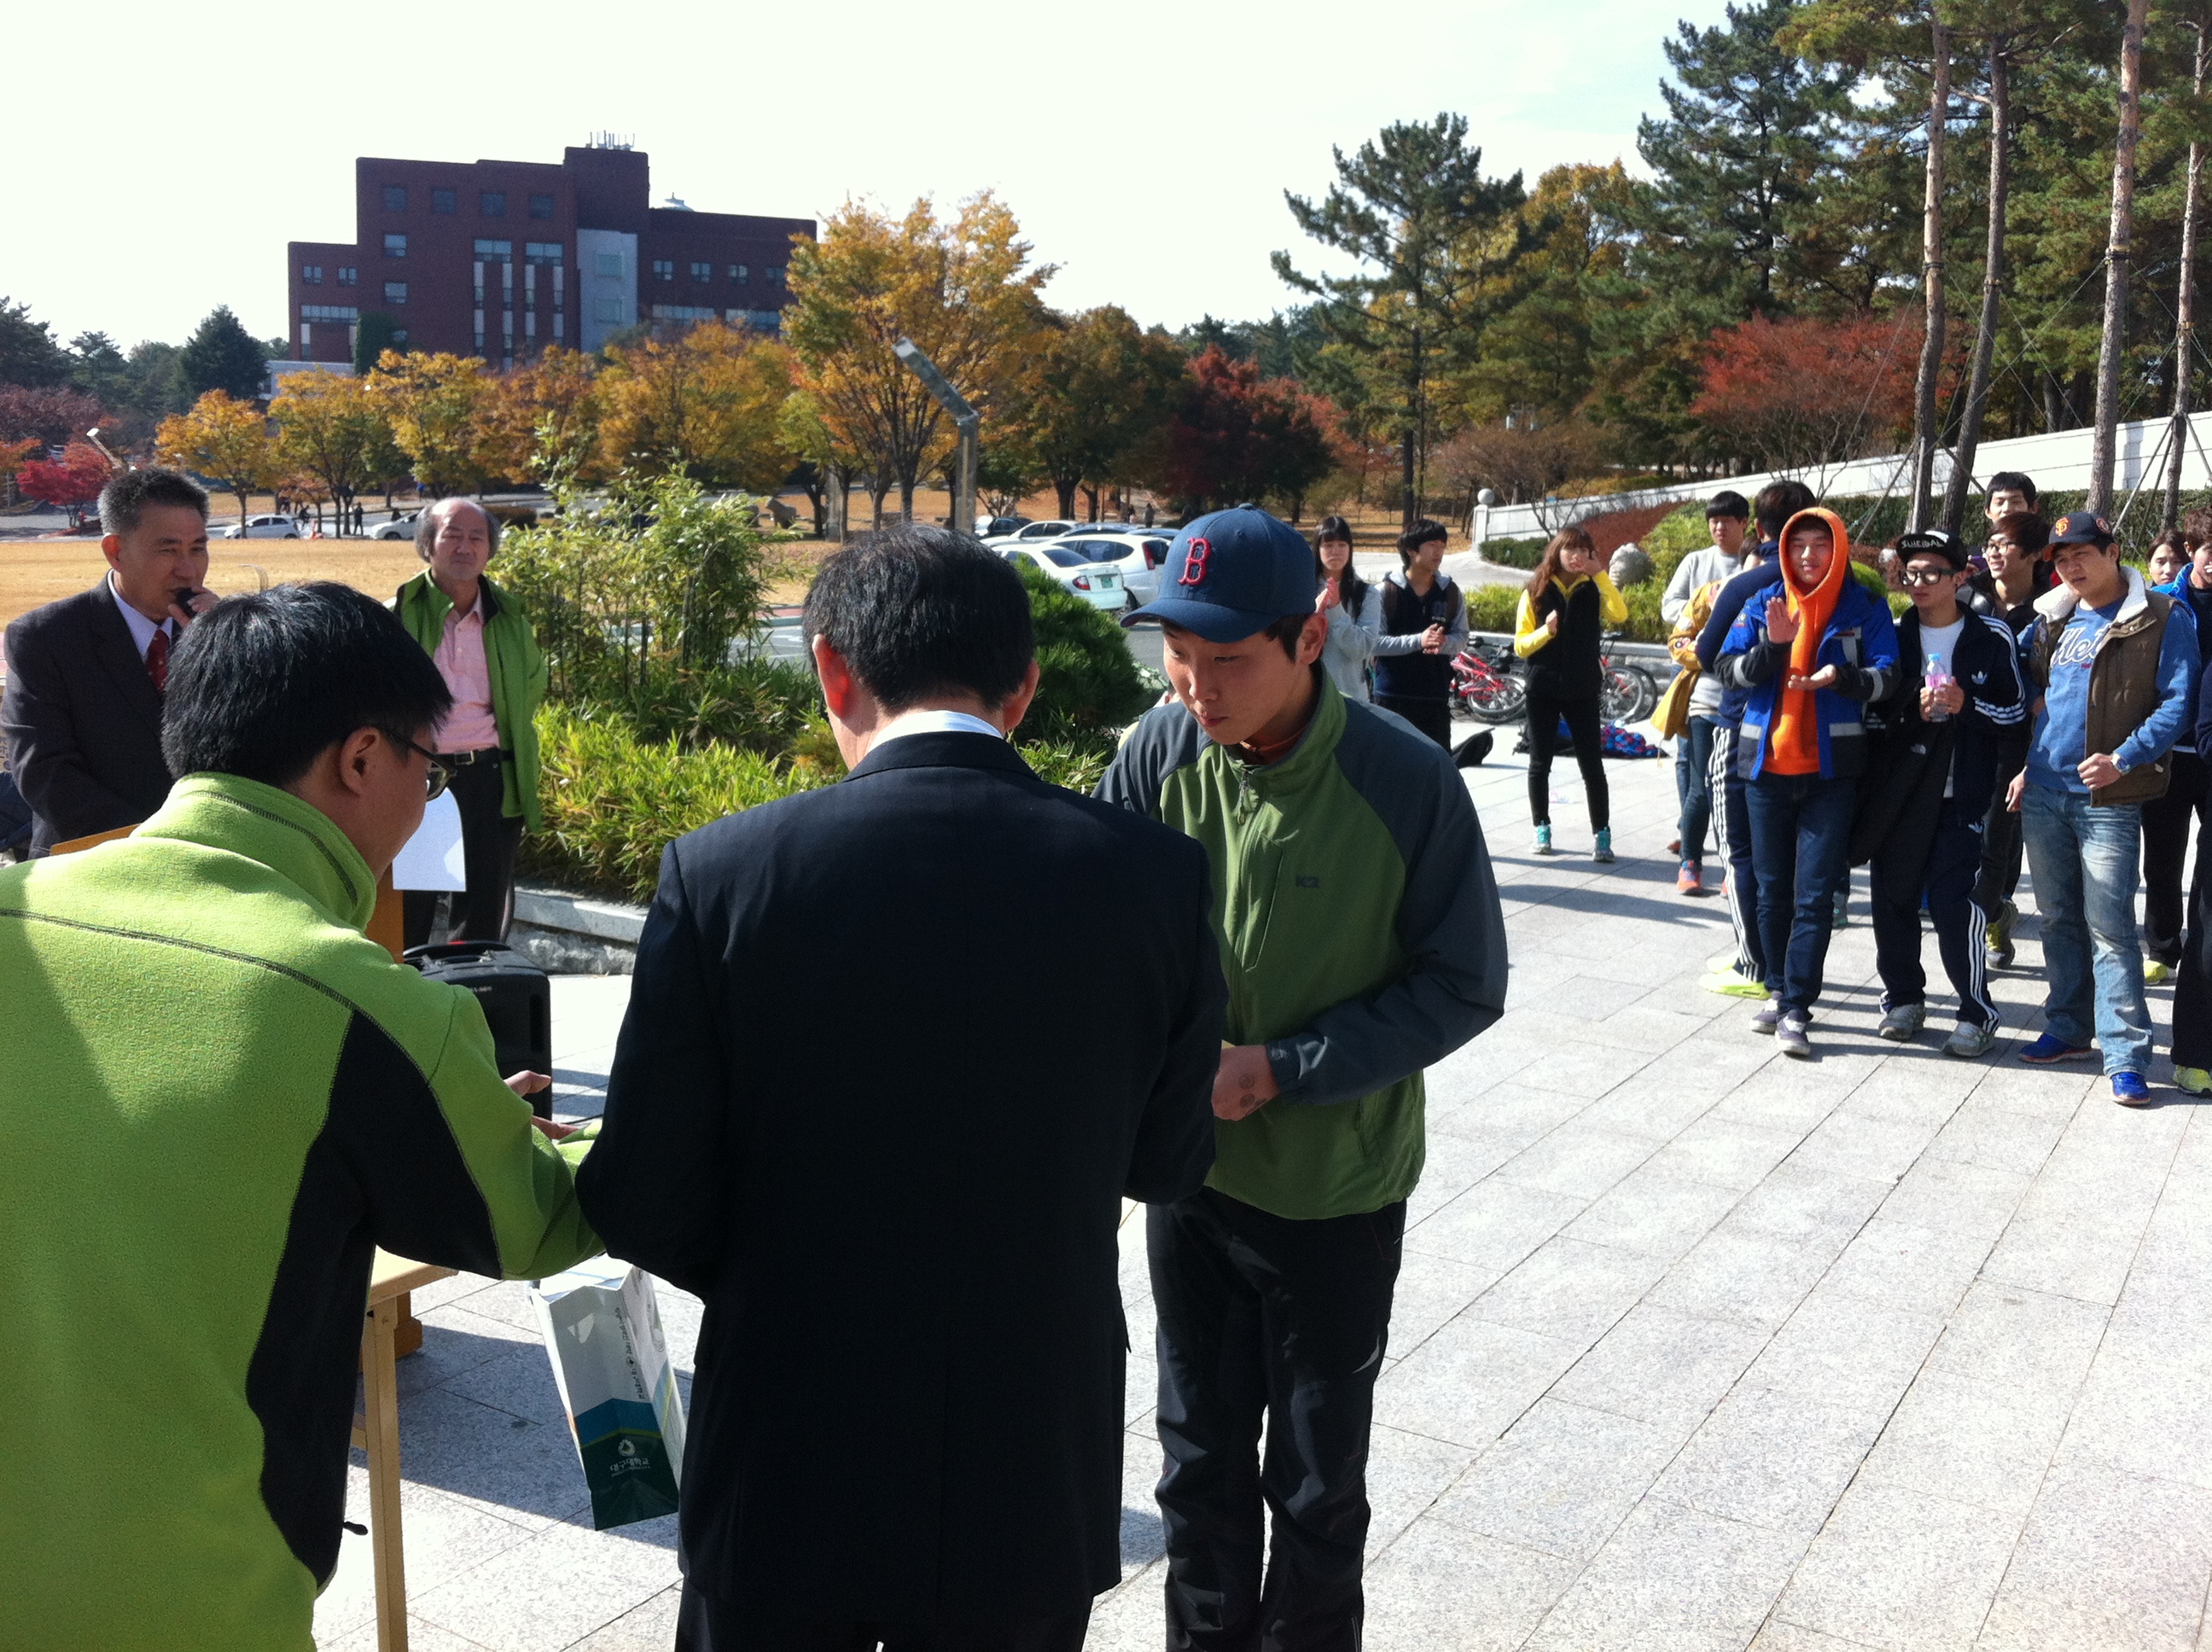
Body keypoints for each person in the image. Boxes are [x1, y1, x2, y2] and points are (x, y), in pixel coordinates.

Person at [575, 526, 1224, 1652]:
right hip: (1029, 1443)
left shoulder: (722, 872)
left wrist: (779, 1269)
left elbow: (639, 1193)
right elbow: (1168, 1160)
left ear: (832, 670)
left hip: (787, 1436)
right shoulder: (1157, 875)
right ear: (1024, 688)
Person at [0, 581, 599, 1650]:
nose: (427, 795)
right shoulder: (364, 1003)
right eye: (430, 767)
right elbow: (538, 1222)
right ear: (361, 758)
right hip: (184, 1595)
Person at [1103, 503, 1507, 1652]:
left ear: (1311, 637)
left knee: (1319, 1484)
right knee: (1196, 1464)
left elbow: (1465, 982)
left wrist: (1282, 1068)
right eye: (1179, 654)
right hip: (1192, 1180)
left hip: (1335, 1190)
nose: (1197, 687)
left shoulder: (1406, 781)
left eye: (1228, 659)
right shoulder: (1158, 753)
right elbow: (1102, 934)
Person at [2009, 511, 2198, 1105]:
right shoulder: (2052, 617)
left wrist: (2123, 758)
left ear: (2113, 551)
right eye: (2061, 558)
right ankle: (2068, 1028)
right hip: (2043, 791)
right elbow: (2026, 684)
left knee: (2110, 928)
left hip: (2107, 798)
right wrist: (2026, 760)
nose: (2070, 566)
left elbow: (2178, 703)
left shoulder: (2161, 615)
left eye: (2081, 554)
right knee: (2057, 919)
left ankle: (2126, 1055)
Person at [1717, 506, 1900, 1057]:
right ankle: (1777, 990)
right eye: (1798, 545)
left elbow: (1888, 678)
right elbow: (1727, 671)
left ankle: (1797, 1005)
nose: (1808, 555)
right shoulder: (1764, 601)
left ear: (1838, 549)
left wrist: (1839, 678)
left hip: (1831, 775)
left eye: (1821, 544)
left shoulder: (1864, 606)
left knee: (1815, 896)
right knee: (1770, 891)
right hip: (1763, 770)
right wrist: (1773, 647)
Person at [1853, 532, 2025, 1056]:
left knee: (1955, 904)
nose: (1919, 583)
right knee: (1894, 898)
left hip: (1966, 795)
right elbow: (1871, 717)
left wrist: (1966, 704)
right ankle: (1904, 999)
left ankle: (1976, 1012)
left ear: (1960, 577)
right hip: (1901, 792)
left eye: (1932, 573)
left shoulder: (1992, 635)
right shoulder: (1893, 634)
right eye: (1910, 573)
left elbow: (2016, 715)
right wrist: (1914, 709)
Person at [1, 467, 216, 852]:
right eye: (168, 550)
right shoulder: (45, 637)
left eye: (198, 548)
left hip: (216, 856)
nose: (188, 570)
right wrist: (157, 846)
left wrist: (230, 646)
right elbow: (44, 772)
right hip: (89, 862)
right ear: (115, 551)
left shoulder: (218, 631)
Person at [394, 497, 548, 948]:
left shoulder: (510, 617)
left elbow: (531, 686)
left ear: (489, 549)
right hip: (419, 778)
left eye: (476, 537)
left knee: (481, 914)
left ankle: (472, 990)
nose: (465, 547)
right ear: (428, 545)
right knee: (411, 911)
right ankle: (406, 990)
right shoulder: (397, 613)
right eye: (452, 535)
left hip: (489, 775)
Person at [1694, 478, 1818, 996]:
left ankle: (1756, 965)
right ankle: (1786, 969)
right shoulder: (1843, 585)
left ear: (1761, 528)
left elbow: (1708, 656)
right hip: (1814, 741)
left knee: (1741, 851)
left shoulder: (1749, 585)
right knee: (1791, 865)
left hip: (1744, 731)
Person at [1514, 524, 1626, 861]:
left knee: (1592, 765)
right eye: (1570, 549)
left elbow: (1620, 614)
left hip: (1583, 688)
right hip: (1543, 688)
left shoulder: (1593, 588)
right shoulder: (1535, 590)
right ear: (1557, 552)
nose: (1576, 556)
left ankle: (1602, 835)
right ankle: (1542, 828)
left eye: (1583, 550)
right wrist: (1546, 633)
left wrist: (1600, 574)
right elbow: (1520, 646)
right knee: (1539, 763)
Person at [1974, 511, 2052, 967]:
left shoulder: (2052, 609)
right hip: (1965, 731)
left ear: (2035, 555)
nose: (1994, 552)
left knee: (1997, 835)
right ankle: (1991, 909)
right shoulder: (1968, 596)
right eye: (1991, 544)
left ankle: (1990, 914)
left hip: (2021, 740)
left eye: (2005, 545)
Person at [2140, 512, 2212, 983]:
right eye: (2210, 550)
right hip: (2169, 751)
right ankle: (2164, 948)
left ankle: (2205, 950)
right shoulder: (2162, 602)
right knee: (2163, 858)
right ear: (2192, 550)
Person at [1366, 516, 1468, 747]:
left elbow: (1462, 637)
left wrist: (1442, 643)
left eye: (1442, 546)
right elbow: (1374, 642)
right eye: (1432, 545)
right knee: (1390, 766)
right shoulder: (1385, 592)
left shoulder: (1450, 592)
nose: (1439, 552)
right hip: (1391, 698)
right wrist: (1419, 640)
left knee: (1435, 767)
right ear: (1411, 550)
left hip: (1435, 699)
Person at [1660, 491, 1752, 625]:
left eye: (1726, 521)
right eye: (1715, 521)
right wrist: (1704, 609)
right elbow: (1669, 606)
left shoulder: (1757, 561)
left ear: (1744, 522)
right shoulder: (1694, 561)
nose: (1719, 527)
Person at [1313, 515, 1373, 703]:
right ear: (1317, 549)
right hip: (1309, 698)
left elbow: (1361, 650)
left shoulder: (1366, 593)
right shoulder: (1303, 589)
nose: (1336, 551)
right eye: (1328, 545)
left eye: (1342, 545)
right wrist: (1314, 613)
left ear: (1350, 549)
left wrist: (1336, 609)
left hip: (1350, 698)